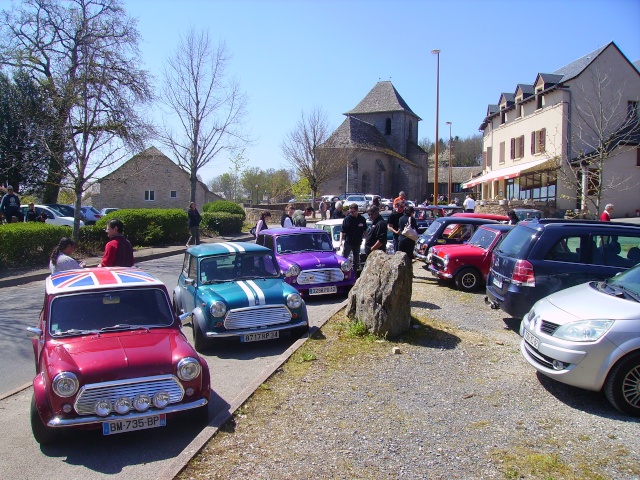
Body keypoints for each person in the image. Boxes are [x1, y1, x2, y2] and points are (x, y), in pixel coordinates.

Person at [340, 203, 367, 272]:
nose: (351, 213)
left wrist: (367, 239)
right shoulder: (347, 219)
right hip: (348, 242)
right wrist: (340, 241)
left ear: (357, 210)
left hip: (357, 242)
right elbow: (342, 231)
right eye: (350, 212)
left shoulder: (362, 219)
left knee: (356, 261)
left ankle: (355, 275)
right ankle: (343, 272)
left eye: (353, 212)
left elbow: (365, 231)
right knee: (344, 259)